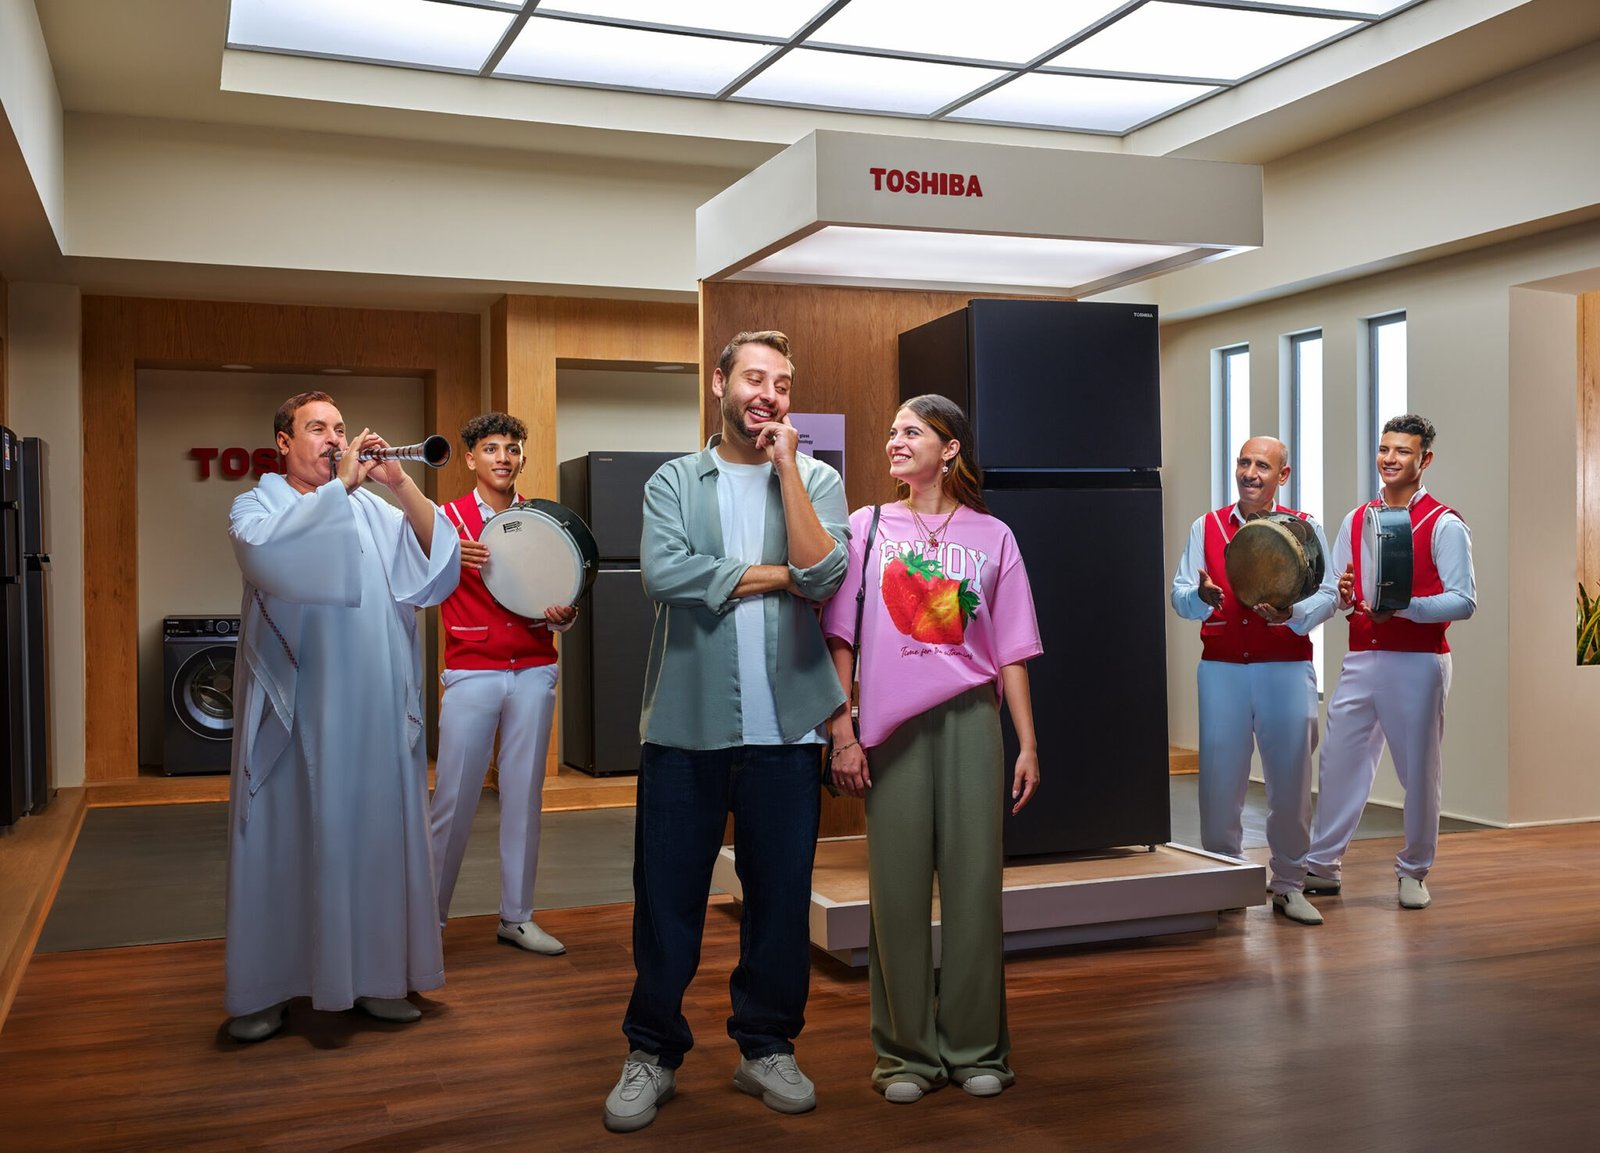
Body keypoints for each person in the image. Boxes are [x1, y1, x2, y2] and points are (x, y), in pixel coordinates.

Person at [602, 331, 849, 1134]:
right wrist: (782, 577)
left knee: (779, 902)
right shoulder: (675, 480)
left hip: (789, 731)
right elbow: (664, 573)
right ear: (720, 383)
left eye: (782, 382)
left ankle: (766, 1045)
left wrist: (788, 471)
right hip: (686, 726)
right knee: (667, 899)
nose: (768, 393)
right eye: (754, 377)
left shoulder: (817, 478)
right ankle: (652, 1050)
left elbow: (829, 572)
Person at [822, 394, 1042, 1105]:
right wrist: (843, 729)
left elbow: (1012, 649)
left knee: (975, 887)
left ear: (949, 448)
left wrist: (1027, 742)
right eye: (891, 431)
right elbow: (841, 638)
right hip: (891, 729)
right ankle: (905, 1056)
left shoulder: (993, 535)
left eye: (911, 431)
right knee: (897, 892)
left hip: (972, 719)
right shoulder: (866, 526)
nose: (895, 440)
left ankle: (977, 1047)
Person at [222, 391, 460, 1042]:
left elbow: (437, 565)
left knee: (376, 834)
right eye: (317, 427)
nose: (333, 438)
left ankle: (378, 979)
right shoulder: (257, 505)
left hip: (374, 705)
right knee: (285, 838)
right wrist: (343, 487)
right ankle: (268, 988)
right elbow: (270, 554)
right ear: (283, 441)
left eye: (340, 428)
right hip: (297, 709)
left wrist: (400, 482)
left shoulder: (374, 509)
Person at [1305, 414, 1475, 909]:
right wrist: (1338, 594)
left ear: (1425, 459)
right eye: (1384, 449)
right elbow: (1335, 589)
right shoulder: (1356, 518)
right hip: (1361, 655)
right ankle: (1322, 865)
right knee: (1338, 761)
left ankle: (1414, 871)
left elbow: (1464, 600)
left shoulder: (1444, 523)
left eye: (1402, 451)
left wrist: (1403, 608)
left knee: (1419, 770)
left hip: (1419, 662)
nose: (1390, 459)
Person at [1170, 436, 1337, 926]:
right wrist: (1201, 597)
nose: (1249, 473)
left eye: (1262, 465)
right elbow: (1179, 596)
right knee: (1219, 780)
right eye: (1244, 462)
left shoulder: (1305, 527)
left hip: (1286, 667)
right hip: (1221, 668)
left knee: (1290, 780)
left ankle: (1288, 884)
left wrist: (1292, 614)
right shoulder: (1207, 526)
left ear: (1282, 475)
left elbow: (1329, 593)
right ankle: (1225, 880)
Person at [429, 413, 577, 956]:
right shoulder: (445, 520)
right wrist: (449, 557)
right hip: (471, 672)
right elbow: (419, 586)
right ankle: (427, 921)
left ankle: (516, 917)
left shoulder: (541, 520)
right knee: (453, 800)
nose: (503, 458)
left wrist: (564, 615)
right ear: (471, 458)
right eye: (491, 449)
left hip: (534, 670)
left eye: (512, 449)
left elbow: (559, 589)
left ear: (521, 459)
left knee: (523, 797)